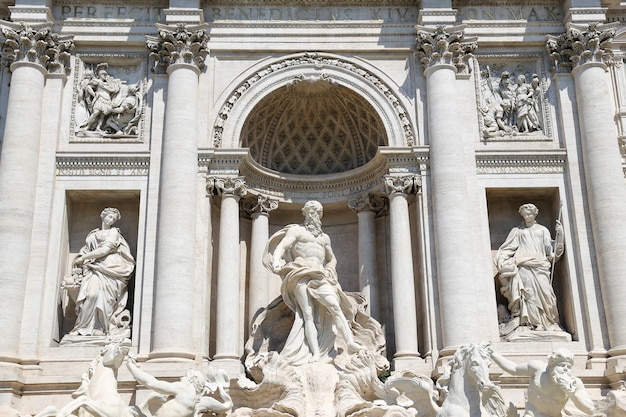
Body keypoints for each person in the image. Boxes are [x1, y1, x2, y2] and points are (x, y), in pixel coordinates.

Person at [262, 200, 365, 365]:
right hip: (300, 273)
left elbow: (332, 258)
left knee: (335, 306)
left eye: (317, 212)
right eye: (311, 212)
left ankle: (350, 343)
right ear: (305, 213)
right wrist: (276, 261)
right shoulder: (297, 231)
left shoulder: (324, 238)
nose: (314, 215)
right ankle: (315, 353)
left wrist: (330, 268)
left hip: (320, 275)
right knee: (307, 314)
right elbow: (281, 247)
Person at [494, 203, 563, 331]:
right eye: (525, 214)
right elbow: (508, 248)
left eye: (530, 213)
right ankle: (535, 324)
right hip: (523, 266)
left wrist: (560, 236)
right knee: (528, 295)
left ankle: (549, 322)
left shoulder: (543, 230)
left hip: (540, 266)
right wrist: (502, 260)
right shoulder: (517, 231)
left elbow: (551, 251)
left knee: (546, 294)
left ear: (535, 213)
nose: (527, 216)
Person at [68, 207, 135, 336]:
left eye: (114, 219)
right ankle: (82, 328)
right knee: (91, 295)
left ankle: (100, 328)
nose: (111, 220)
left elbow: (104, 250)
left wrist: (83, 258)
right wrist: (81, 259)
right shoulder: (93, 234)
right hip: (94, 268)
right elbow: (87, 250)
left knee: (106, 299)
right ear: (102, 216)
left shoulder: (114, 232)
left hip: (111, 268)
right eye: (110, 217)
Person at [490, 349, 594, 417]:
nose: (566, 370)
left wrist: (571, 393)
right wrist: (492, 354)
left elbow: (590, 409)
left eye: (569, 367)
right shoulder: (537, 369)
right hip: (533, 414)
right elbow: (513, 369)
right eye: (562, 366)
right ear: (551, 365)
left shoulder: (574, 383)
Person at [126, 356, 232, 417]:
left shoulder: (184, 389)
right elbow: (226, 406)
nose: (182, 378)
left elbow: (152, 383)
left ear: (192, 379)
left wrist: (132, 368)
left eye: (186, 375)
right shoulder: (198, 402)